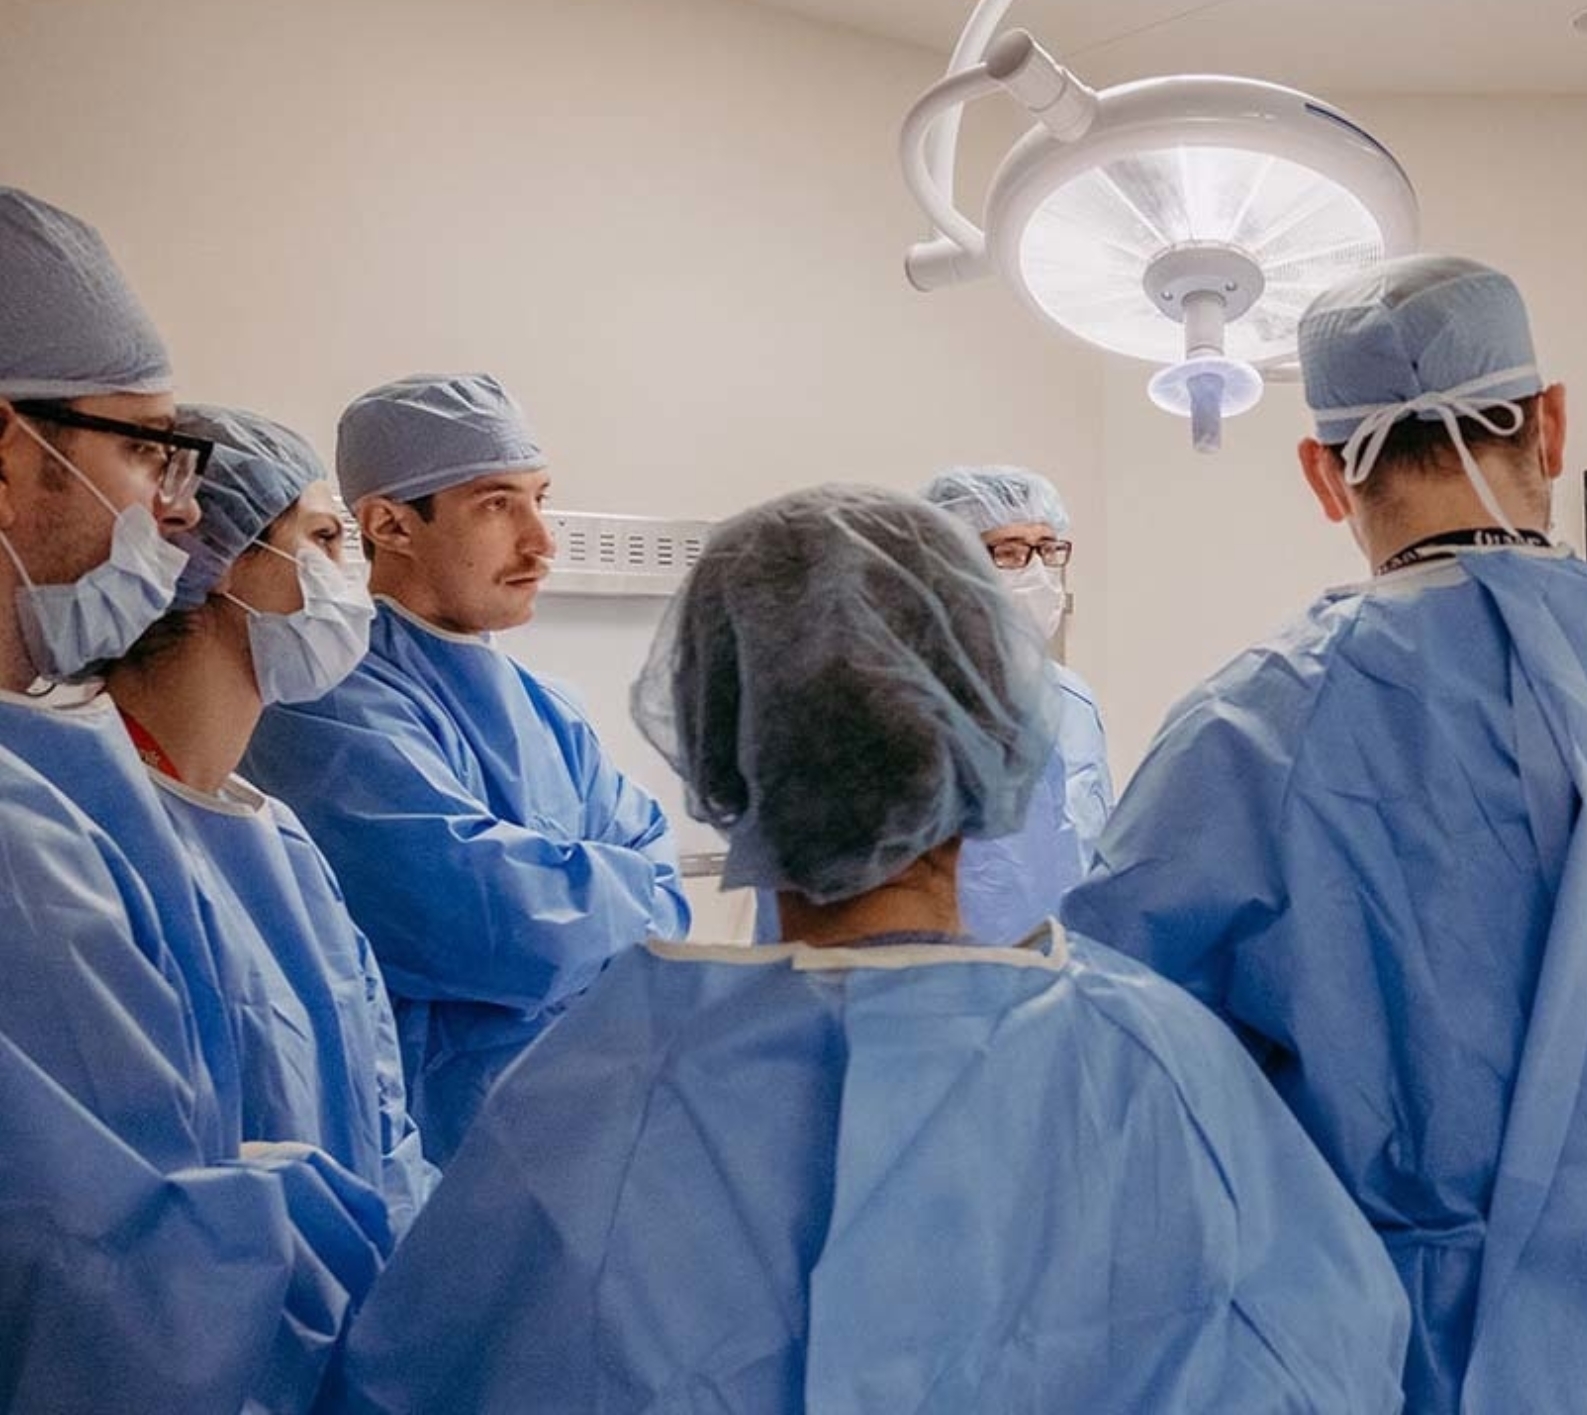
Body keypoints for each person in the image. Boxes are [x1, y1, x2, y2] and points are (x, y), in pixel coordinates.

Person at [328, 484, 1410, 1414]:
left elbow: (417, 1377)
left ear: (719, 756)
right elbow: (1329, 1360)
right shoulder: (1160, 1065)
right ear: (996, 729)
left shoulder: (584, 1097)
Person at [1062, 254, 1587, 1414]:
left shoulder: (1251, 732)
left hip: (1398, 1361)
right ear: (1552, 425)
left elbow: (1118, 1088)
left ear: (1321, 472)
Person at [0, 187, 388, 1411]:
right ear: (13, 458)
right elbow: (121, 1301)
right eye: (143, 449)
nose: (173, 508)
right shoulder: (30, 846)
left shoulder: (68, 809)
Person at [241, 372, 689, 1164]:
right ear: (389, 523)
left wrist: (577, 898)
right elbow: (499, 928)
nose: (541, 540)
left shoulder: (552, 709)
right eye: (496, 503)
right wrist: (605, 892)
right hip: (445, 1150)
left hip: (601, 1136)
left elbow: (668, 900)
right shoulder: (323, 706)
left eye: (540, 498)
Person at [102, 404, 437, 1234]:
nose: (348, 582)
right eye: (322, 542)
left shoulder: (276, 839)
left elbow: (381, 1118)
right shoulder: (96, 840)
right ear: (208, 558)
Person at [751, 464, 1112, 944]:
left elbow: (1089, 855)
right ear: (946, 564)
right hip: (916, 985)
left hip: (1056, 982)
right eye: (1009, 552)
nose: (1038, 573)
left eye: (1048, 550)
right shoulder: (883, 702)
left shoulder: (1074, 703)